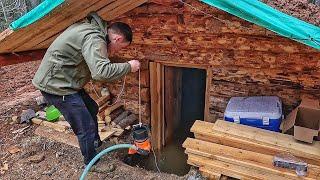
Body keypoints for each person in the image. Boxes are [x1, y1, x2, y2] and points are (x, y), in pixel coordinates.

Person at [32, 12, 140, 165]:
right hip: (56, 85)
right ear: (117, 39)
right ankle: (91, 163)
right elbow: (101, 72)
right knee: (85, 125)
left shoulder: (94, 32)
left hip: (66, 81)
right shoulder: (95, 38)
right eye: (120, 47)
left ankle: (95, 145)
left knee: (92, 108)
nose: (118, 51)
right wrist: (129, 66)